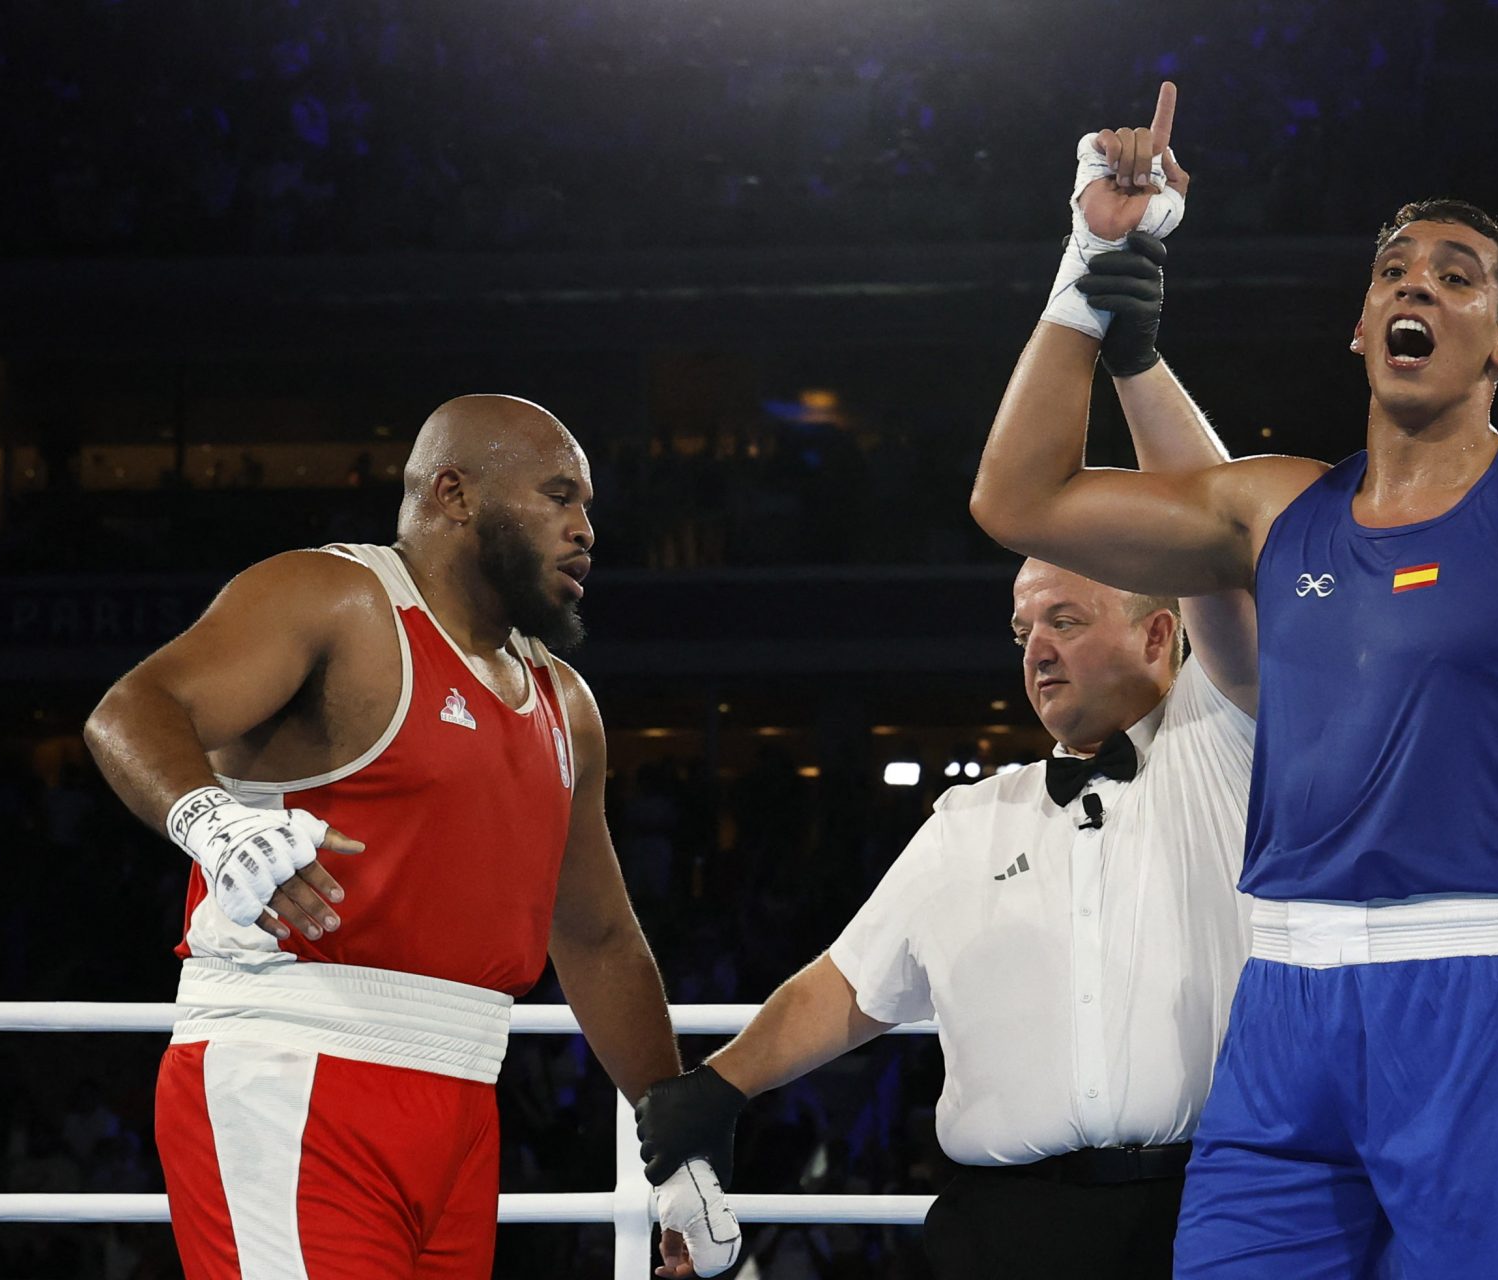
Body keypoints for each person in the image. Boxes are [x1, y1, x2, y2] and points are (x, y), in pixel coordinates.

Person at [968, 83, 1498, 1278]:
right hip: (1281, 1010)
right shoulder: (1278, 509)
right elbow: (1017, 501)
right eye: (1392, 270)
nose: (1415, 286)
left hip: (1477, 1003)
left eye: (1454, 273)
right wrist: (1090, 258)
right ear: (1358, 324)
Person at [83, 395, 735, 1279]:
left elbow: (597, 936)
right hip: (295, 1070)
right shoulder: (333, 597)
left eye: (588, 508)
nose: (585, 530)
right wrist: (217, 825)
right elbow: (131, 709)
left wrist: (676, 1148)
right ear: (456, 493)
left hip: (463, 1100)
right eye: (558, 496)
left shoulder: (565, 702)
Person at [635, 429, 1261, 1278]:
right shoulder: (970, 819)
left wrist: (1136, 367)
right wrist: (720, 1086)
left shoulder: (1225, 754)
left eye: (1065, 620)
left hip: (1199, 1213)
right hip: (1001, 1231)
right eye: (1023, 629)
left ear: (1159, 638)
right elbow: (850, 984)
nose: (1036, 649)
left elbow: (1227, 543)